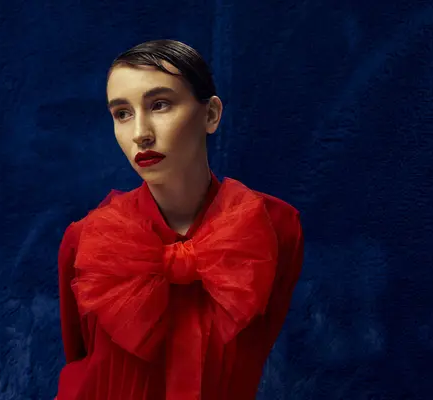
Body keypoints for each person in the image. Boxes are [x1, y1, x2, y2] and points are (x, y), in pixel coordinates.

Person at [55, 39, 304, 400]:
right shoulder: (85, 240)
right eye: (122, 113)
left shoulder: (276, 228)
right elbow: (78, 360)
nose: (140, 133)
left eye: (160, 105)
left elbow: (256, 350)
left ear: (211, 114)